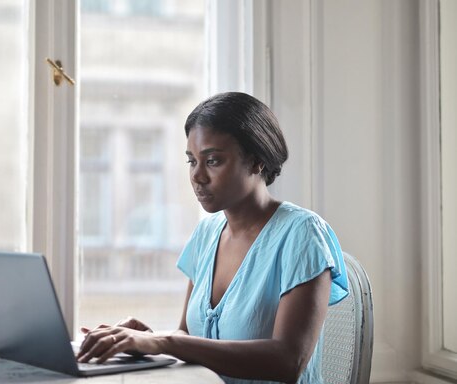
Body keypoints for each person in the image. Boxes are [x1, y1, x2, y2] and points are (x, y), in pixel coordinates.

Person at [77, 92, 349, 384]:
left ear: (257, 161)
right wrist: (147, 338)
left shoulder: (302, 234)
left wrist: (167, 342)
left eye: (213, 160)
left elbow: (288, 360)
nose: (197, 176)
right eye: (191, 161)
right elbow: (187, 335)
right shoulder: (206, 233)